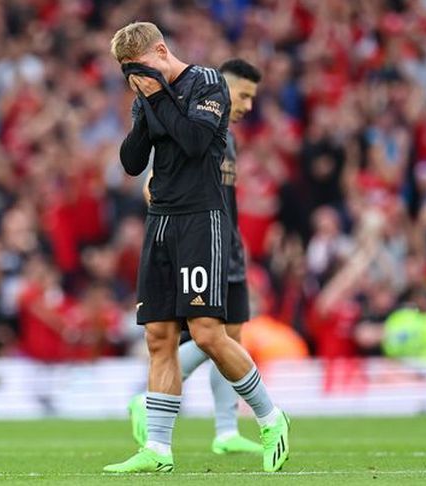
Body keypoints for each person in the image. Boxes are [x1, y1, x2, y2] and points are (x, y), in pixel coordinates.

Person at [103, 22, 289, 474]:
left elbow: (193, 142)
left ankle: (269, 418)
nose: (135, 76)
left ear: (161, 50)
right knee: (158, 337)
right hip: (160, 220)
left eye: (139, 66)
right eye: (127, 71)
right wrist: (145, 103)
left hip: (199, 219)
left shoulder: (207, 82)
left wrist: (157, 97)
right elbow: (131, 163)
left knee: (207, 331)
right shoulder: (148, 94)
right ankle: (159, 449)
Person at [128, 59, 265, 456]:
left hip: (226, 245)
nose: (247, 105)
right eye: (244, 95)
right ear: (225, 90)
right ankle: (151, 399)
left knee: (228, 335)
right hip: (198, 240)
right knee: (212, 335)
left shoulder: (228, 137)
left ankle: (226, 430)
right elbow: (152, 185)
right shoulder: (199, 121)